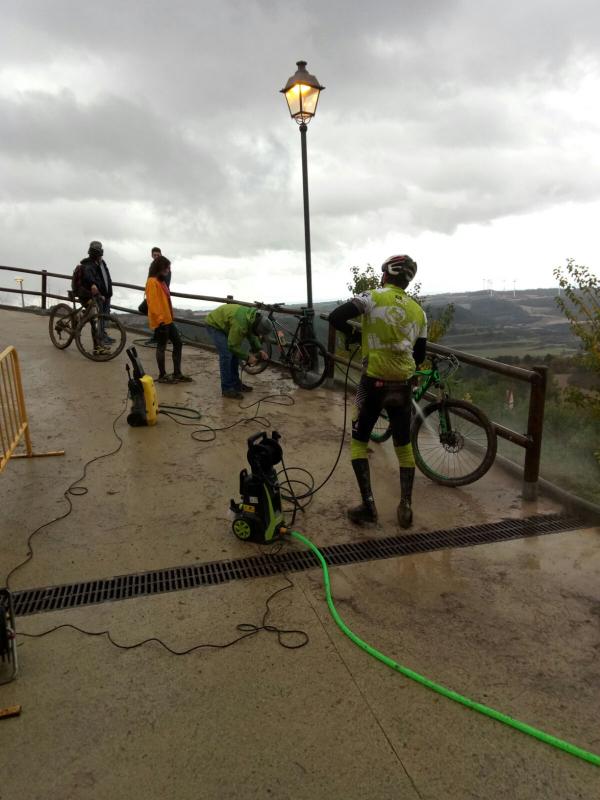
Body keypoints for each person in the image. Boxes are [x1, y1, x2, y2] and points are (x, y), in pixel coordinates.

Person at [329, 254, 427, 529]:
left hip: (373, 382)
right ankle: (405, 505)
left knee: (359, 440)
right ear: (407, 282)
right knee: (404, 446)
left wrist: (352, 336)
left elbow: (337, 317)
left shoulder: (372, 296)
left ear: (385, 275)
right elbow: (419, 355)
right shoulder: (419, 311)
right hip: (404, 384)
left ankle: (368, 506)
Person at [205, 304, 270, 399]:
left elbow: (251, 335)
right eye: (259, 333)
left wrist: (259, 349)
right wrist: (248, 357)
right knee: (227, 354)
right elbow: (232, 346)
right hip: (215, 325)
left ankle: (236, 384)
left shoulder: (252, 318)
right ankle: (227, 389)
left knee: (234, 355)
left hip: (226, 324)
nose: (259, 335)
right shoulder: (240, 324)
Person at [145, 255, 192, 383]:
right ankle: (162, 375)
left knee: (178, 343)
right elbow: (153, 304)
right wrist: (160, 320)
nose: (168, 270)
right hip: (161, 321)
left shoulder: (161, 281)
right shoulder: (152, 282)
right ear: (160, 267)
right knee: (161, 346)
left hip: (168, 320)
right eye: (167, 267)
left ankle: (177, 373)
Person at [78, 240, 114, 354]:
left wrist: (107, 293)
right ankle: (97, 348)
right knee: (94, 320)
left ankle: (100, 342)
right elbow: (90, 278)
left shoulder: (100, 263)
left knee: (97, 318)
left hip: (100, 295)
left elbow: (106, 277)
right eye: (98, 253)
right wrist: (94, 287)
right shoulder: (88, 265)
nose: (100, 255)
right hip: (89, 295)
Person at [145, 247, 171, 346]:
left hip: (160, 295)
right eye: (154, 255)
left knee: (157, 315)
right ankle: (158, 336)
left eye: (157, 255)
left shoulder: (164, 266)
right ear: (152, 255)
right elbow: (151, 280)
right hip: (155, 295)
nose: (156, 257)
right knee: (154, 313)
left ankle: (159, 336)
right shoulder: (153, 268)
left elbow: (165, 281)